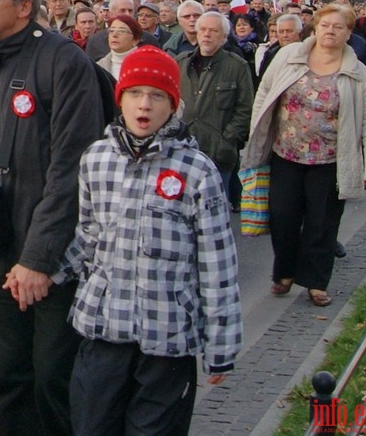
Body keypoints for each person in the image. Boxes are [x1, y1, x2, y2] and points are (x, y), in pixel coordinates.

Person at [0, 0, 104, 436]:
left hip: (53, 263)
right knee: (11, 383)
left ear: (22, 7)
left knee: (52, 384)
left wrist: (38, 260)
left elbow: (72, 170)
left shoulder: (64, 62)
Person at [54, 46, 242, 436]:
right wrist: (46, 274)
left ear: (173, 105)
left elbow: (217, 262)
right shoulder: (96, 159)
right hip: (104, 328)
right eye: (135, 93)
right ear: (119, 97)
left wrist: (220, 345)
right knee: (91, 426)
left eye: (157, 96)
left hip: (168, 336)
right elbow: (88, 234)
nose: (145, 105)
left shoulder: (196, 170)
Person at [243, 3, 366, 307]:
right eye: (325, 25)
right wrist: (256, 139)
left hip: (330, 160)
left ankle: (316, 282)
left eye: (339, 27)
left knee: (322, 224)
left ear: (349, 33)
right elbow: (265, 95)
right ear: (315, 28)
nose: (331, 31)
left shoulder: (357, 73)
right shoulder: (289, 57)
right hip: (286, 154)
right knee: (283, 218)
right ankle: (283, 273)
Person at [176, 12, 254, 196]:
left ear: (224, 37)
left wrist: (226, 140)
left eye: (213, 30)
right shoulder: (180, 63)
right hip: (182, 151)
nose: (207, 34)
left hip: (218, 155)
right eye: (203, 29)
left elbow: (245, 109)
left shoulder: (237, 67)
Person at [97, 14, 158, 80]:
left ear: (136, 39)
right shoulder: (99, 67)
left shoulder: (148, 66)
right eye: (111, 31)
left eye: (122, 31)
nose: (114, 35)